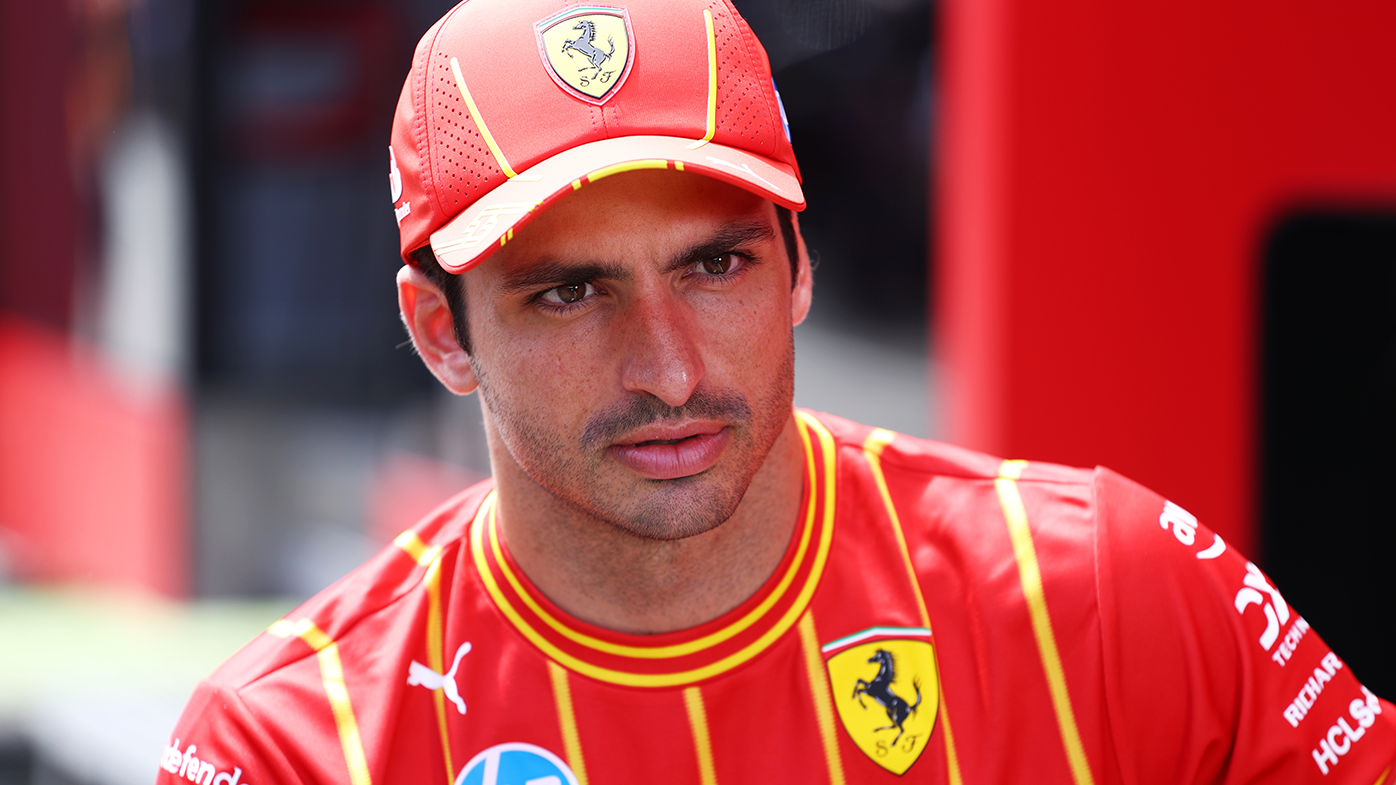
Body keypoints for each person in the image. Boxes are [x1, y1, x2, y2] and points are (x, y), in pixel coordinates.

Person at [158, 0, 1395, 783]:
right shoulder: (289, 746)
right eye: (570, 294)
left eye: (714, 265)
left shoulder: (1105, 588)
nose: (670, 367)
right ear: (441, 330)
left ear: (798, 268)